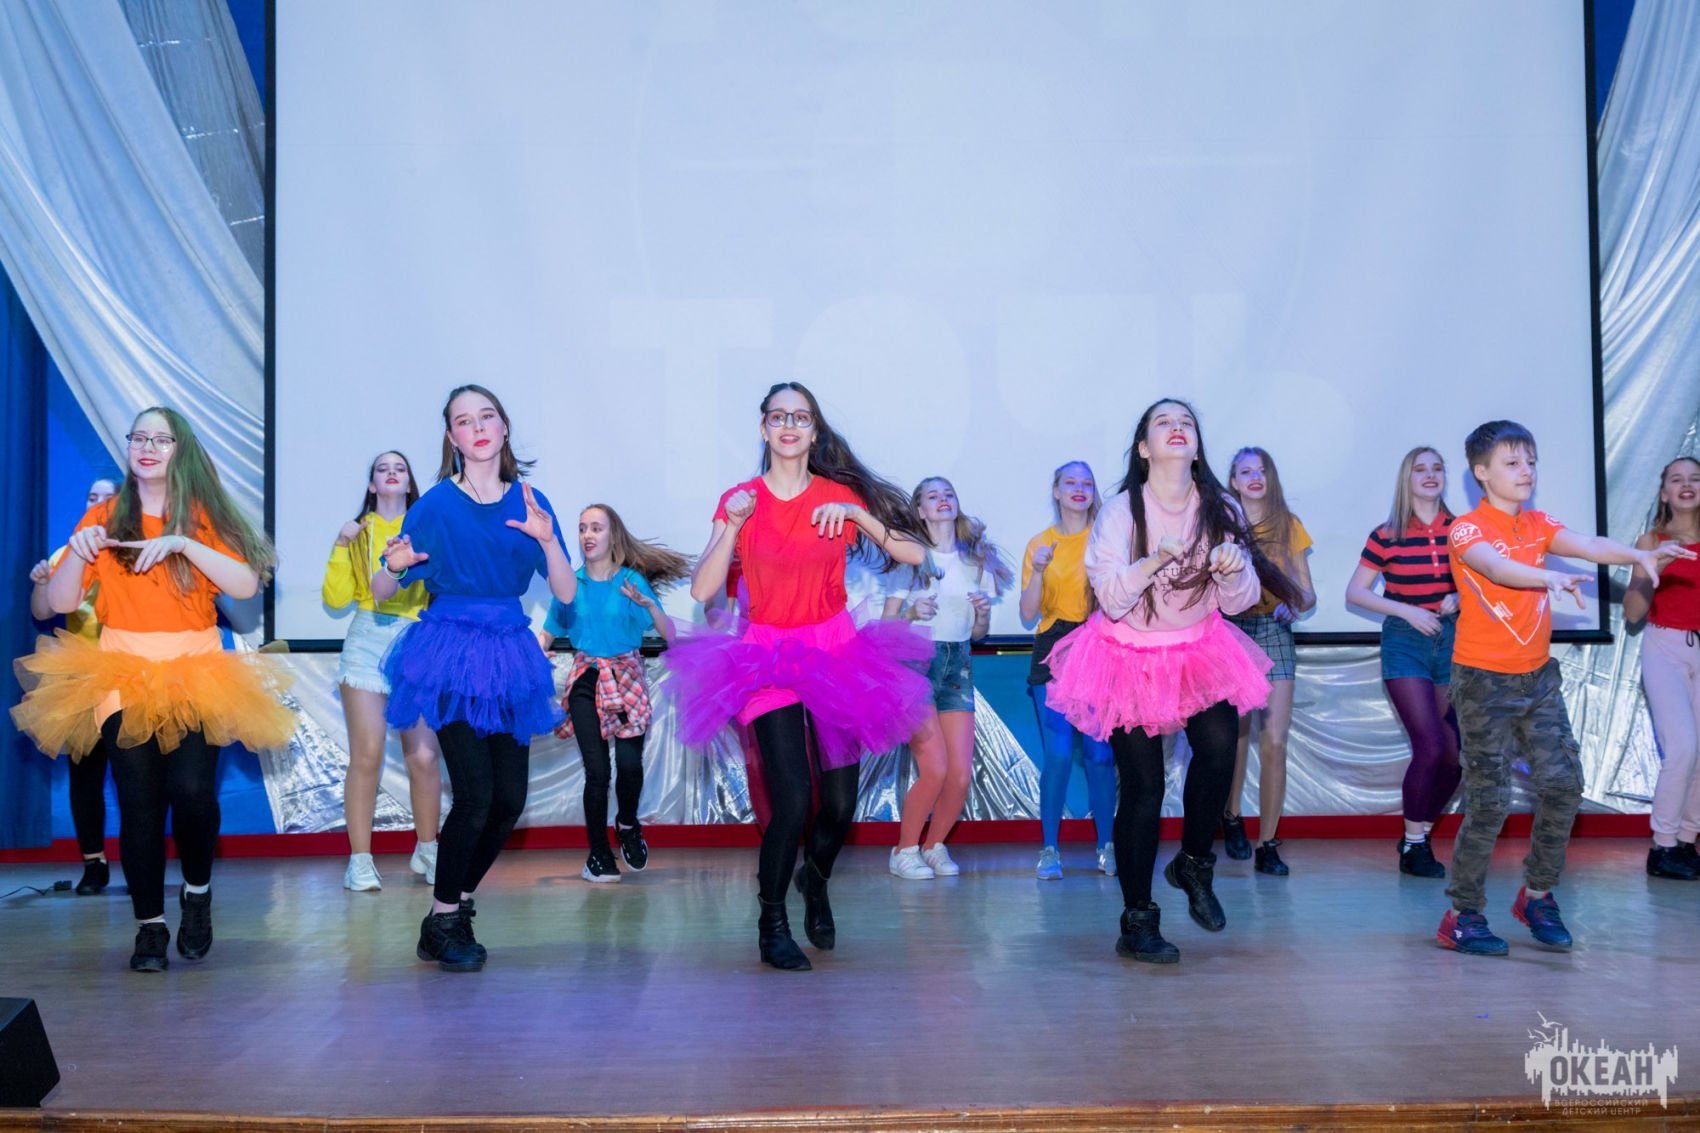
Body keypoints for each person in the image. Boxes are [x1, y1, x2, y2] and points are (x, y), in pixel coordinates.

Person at [12, 408, 295, 972]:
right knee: (139, 805)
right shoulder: (104, 515)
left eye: (161, 439)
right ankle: (149, 928)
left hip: (195, 672)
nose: (147, 446)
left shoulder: (203, 515)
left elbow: (245, 584)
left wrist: (182, 543)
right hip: (121, 674)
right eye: (139, 437)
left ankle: (197, 893)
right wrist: (79, 552)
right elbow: (59, 604)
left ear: (179, 449)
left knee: (192, 793)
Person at [670, 382, 932, 971]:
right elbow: (703, 588)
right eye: (778, 416)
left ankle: (814, 878)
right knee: (791, 801)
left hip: (836, 654)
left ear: (814, 433)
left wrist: (857, 514)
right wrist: (733, 527)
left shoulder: (838, 496)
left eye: (801, 417)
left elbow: (915, 554)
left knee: (838, 806)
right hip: (768, 659)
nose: (789, 425)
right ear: (763, 428)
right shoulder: (739, 499)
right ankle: (772, 924)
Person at [1045, 398, 1298, 963]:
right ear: (1144, 448)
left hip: (1198, 648)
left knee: (1219, 747)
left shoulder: (1220, 506)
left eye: (1186, 422)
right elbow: (1111, 598)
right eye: (1164, 422)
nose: (1177, 428)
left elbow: (1240, 601)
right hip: (1127, 655)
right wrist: (1154, 560)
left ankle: (1194, 863)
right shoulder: (1120, 512)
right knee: (1144, 787)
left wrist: (1234, 569)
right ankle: (1137, 920)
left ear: (1196, 446)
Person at [1436, 421, 1694, 955]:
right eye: (1512, 463)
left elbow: (1588, 544)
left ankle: (1537, 895)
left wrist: (1637, 556)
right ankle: (1462, 914)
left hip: (1537, 679)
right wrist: (1546, 578)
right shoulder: (1465, 528)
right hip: (1483, 682)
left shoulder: (1537, 523)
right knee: (1489, 800)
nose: (1526, 471)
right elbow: (1495, 567)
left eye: (1531, 461)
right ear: (1481, 473)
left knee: (1563, 785)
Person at [375, 385, 577, 973]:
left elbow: (566, 593)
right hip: (451, 652)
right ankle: (443, 919)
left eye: (487, 416)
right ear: (452, 437)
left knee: (509, 800)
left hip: (509, 651)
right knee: (476, 794)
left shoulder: (531, 500)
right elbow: (384, 588)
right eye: (464, 421)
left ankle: (456, 905)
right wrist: (392, 565)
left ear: (504, 427)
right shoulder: (436, 505)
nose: (479, 427)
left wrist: (547, 540)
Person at [541, 504, 688, 883]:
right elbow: (548, 632)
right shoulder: (570, 584)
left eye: (596, 528)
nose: (587, 535)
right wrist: (529, 659)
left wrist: (649, 606)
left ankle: (627, 824)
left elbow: (670, 634)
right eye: (582, 528)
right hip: (586, 679)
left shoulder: (630, 581)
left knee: (629, 765)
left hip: (627, 679)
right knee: (597, 771)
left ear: (612, 535)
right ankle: (598, 854)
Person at [321, 451, 443, 891]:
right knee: (367, 755)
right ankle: (359, 860)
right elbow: (336, 599)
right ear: (372, 485)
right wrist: (340, 545)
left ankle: (428, 849)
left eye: (400, 468)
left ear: (410, 482)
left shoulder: (428, 528)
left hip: (417, 640)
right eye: (382, 469)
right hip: (367, 639)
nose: (392, 473)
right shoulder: (357, 531)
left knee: (424, 757)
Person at [883, 477, 1011, 880]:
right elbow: (886, 627)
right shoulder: (910, 560)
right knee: (935, 768)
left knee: (959, 773)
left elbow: (978, 633)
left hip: (958, 664)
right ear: (920, 511)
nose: (943, 500)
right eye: (932, 496)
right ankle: (904, 850)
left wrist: (983, 615)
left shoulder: (976, 563)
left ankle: (933, 845)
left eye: (949, 494)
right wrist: (910, 614)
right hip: (916, 665)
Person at [1343, 446, 1461, 878]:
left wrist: (1461, 595)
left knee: (1454, 757)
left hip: (1452, 643)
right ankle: (1414, 847)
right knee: (1429, 746)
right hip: (1405, 642)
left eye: (1437, 468)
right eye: (1420, 469)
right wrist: (1407, 611)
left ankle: (1419, 834)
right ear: (1406, 480)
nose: (1430, 475)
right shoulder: (1387, 534)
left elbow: (1486, 585)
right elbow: (1355, 592)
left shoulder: (1462, 532)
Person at [1020, 462, 1117, 881]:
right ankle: (1049, 850)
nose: (1079, 489)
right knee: (1058, 755)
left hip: (1099, 646)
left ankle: (1107, 846)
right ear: (1056, 491)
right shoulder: (1040, 543)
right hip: (1053, 649)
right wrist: (1039, 571)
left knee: (1100, 755)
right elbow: (1028, 613)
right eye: (1070, 482)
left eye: (1087, 482)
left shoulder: (1108, 538)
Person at [1222, 446, 1316, 875]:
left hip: (1275, 632)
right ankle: (1231, 817)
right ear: (1234, 482)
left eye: (1262, 470)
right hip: (1232, 632)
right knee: (1236, 737)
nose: (1255, 477)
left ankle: (1268, 843)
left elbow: (1308, 593)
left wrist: (1294, 604)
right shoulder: (1222, 526)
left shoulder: (1288, 525)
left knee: (1275, 741)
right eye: (1246, 472)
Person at [27, 477, 119, 894]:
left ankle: (142, 862)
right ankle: (93, 864)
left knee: (138, 777)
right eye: (91, 496)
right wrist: (42, 583)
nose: (97, 503)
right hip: (81, 677)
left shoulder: (134, 552)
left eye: (108, 498)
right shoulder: (65, 554)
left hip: (131, 673)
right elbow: (42, 612)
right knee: (85, 774)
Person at [1621, 456, 1700, 880]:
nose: (1687, 485)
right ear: (1665, 492)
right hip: (1665, 646)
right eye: (1677, 479)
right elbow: (1632, 613)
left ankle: (1686, 841)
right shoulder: (1651, 541)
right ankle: (1663, 845)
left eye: (1695, 478)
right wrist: (1653, 571)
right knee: (1683, 745)